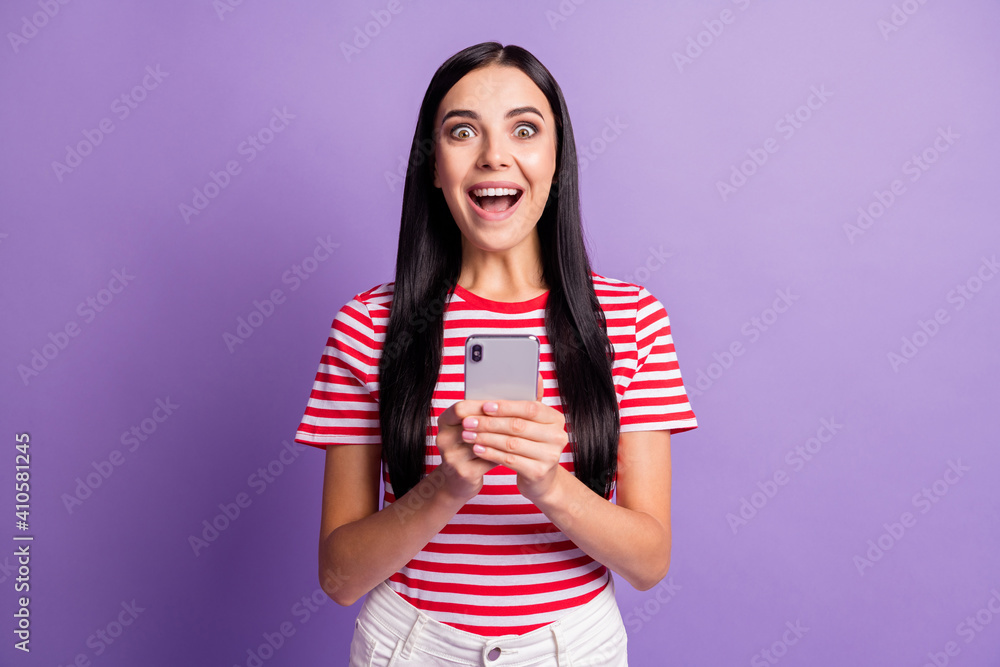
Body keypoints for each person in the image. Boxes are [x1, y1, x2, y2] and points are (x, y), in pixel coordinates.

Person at [294, 41, 698, 666]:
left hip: (575, 647)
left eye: (525, 129)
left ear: (557, 159)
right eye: (462, 132)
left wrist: (548, 483)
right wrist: (446, 487)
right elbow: (339, 578)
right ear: (434, 165)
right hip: (411, 647)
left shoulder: (629, 319)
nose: (494, 157)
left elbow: (649, 562)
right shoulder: (370, 325)